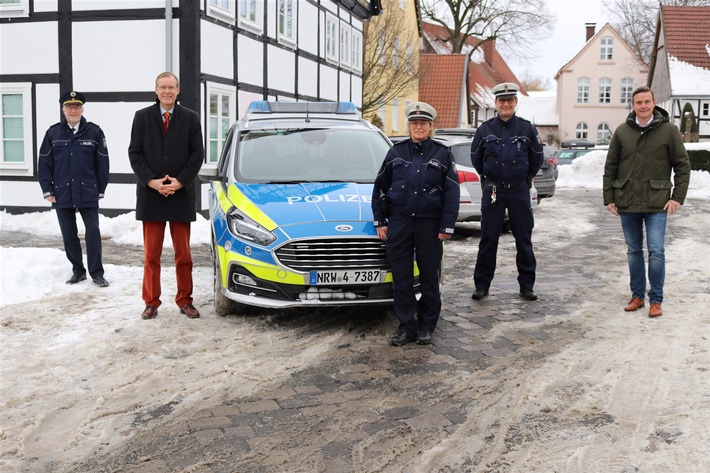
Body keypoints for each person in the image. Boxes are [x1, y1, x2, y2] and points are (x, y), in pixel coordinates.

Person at [372, 102, 460, 346]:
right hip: (399, 222)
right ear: (409, 126)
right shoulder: (395, 153)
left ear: (431, 126)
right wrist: (380, 220)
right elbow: (379, 188)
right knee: (401, 277)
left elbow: (452, 192)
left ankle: (427, 325)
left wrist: (447, 225)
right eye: (414, 123)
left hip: (429, 226)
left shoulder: (442, 154)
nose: (418, 127)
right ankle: (406, 326)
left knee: (429, 276)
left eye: (423, 123)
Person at [603, 86, 690, 318]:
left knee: (656, 251)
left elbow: (682, 166)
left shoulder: (668, 130)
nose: (643, 106)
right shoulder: (622, 132)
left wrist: (677, 198)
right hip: (627, 202)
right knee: (633, 251)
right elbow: (610, 166)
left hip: (657, 203)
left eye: (647, 102)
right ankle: (637, 296)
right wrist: (609, 198)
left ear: (654, 103)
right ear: (633, 105)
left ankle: (656, 300)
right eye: (638, 102)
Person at [128, 72, 205, 320]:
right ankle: (151, 302)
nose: (167, 91)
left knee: (183, 255)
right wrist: (152, 182)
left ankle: (185, 300)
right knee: (151, 255)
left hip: (180, 195)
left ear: (178, 90)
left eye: (171, 87)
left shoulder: (191, 118)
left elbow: (197, 154)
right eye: (163, 87)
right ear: (156, 90)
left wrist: (180, 182)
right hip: (151, 195)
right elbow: (135, 153)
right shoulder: (141, 117)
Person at [470, 82, 544, 301]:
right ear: (496, 103)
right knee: (488, 239)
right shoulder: (485, 130)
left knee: (523, 239)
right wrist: (491, 175)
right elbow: (477, 159)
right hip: (494, 190)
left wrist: (524, 177)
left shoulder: (526, 128)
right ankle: (482, 286)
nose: (506, 104)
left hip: (519, 190)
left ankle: (527, 286)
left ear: (515, 102)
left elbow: (536, 158)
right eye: (502, 101)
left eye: (509, 100)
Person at [38, 91, 110, 287]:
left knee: (93, 232)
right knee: (69, 234)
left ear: (82, 109)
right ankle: (78, 271)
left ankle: (97, 273)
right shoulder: (53, 133)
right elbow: (44, 163)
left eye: (77, 106)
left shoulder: (94, 132)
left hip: (88, 191)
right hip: (62, 192)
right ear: (63, 110)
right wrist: (47, 189)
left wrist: (100, 189)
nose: (73, 110)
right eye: (69, 107)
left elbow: (103, 163)